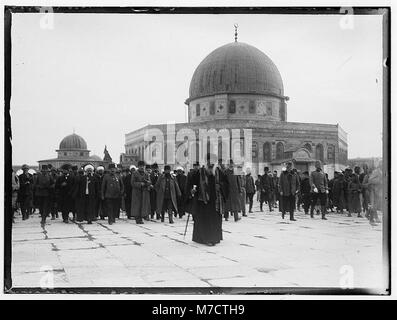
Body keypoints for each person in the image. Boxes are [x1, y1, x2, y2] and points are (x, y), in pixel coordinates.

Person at [190, 158, 223, 246]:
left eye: (212, 163)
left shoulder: (217, 172)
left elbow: (225, 183)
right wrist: (193, 189)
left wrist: (220, 187)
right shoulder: (200, 172)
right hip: (203, 202)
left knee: (213, 220)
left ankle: (213, 238)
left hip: (214, 201)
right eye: (209, 162)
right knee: (204, 220)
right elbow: (193, 183)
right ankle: (206, 239)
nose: (210, 164)